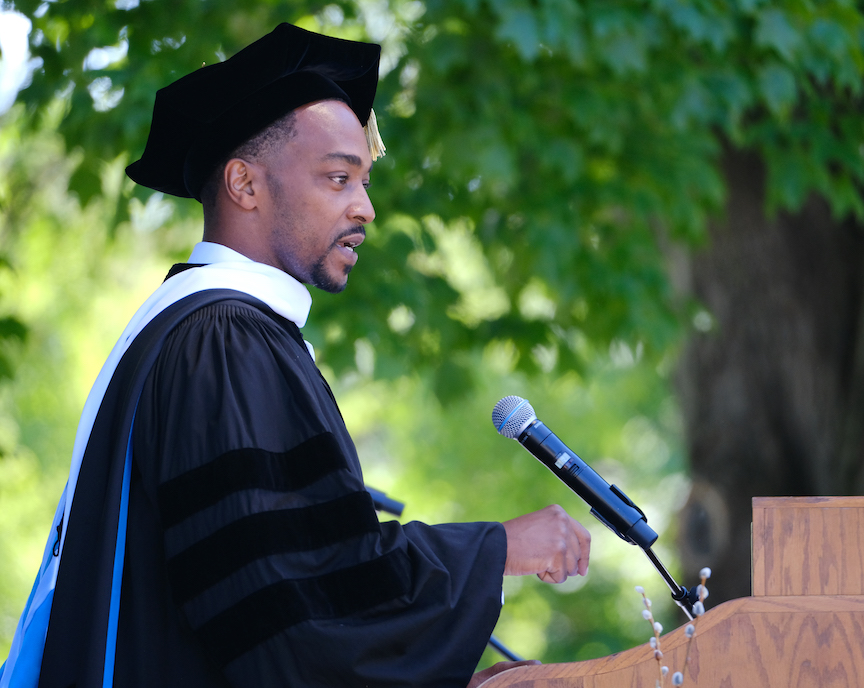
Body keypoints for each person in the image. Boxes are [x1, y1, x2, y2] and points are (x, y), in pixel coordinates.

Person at [2, 23, 590, 688]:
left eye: (364, 181)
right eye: (338, 178)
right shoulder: (224, 342)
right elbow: (291, 608)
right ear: (245, 185)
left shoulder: (196, 332)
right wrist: (498, 550)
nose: (365, 207)